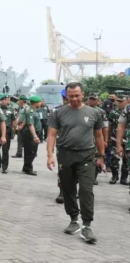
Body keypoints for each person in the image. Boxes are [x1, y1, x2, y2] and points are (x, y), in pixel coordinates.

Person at [47, 82, 105, 243]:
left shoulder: (94, 113)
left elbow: (99, 136)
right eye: (70, 96)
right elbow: (52, 135)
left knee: (86, 190)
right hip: (65, 155)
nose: (74, 99)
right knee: (68, 189)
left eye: (77, 95)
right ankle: (73, 220)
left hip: (86, 156)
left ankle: (87, 225)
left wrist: (101, 156)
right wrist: (49, 155)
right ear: (66, 96)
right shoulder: (58, 113)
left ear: (83, 94)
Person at [110, 94, 129, 185]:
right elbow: (109, 126)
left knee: (126, 160)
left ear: (127, 101)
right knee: (114, 158)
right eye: (118, 101)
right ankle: (114, 176)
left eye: (121, 101)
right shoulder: (113, 112)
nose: (119, 103)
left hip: (127, 140)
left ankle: (124, 178)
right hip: (115, 138)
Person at [0, 94, 17, 173]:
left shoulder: (11, 110)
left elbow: (13, 121)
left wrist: (14, 131)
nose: (4, 101)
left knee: (5, 150)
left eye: (6, 99)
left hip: (7, 130)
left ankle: (4, 166)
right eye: (3, 100)